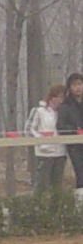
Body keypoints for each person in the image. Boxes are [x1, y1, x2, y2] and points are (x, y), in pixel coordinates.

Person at [25, 85, 66, 194]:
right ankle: (38, 207)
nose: (61, 101)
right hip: (44, 153)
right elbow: (28, 130)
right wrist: (42, 140)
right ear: (52, 97)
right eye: (60, 97)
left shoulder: (64, 113)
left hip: (60, 153)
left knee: (57, 187)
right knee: (41, 186)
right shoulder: (38, 111)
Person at [56, 73, 83, 203]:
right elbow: (61, 126)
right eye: (75, 85)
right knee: (81, 174)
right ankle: (80, 205)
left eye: (80, 84)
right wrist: (75, 131)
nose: (78, 88)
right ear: (70, 88)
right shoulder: (65, 106)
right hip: (75, 146)